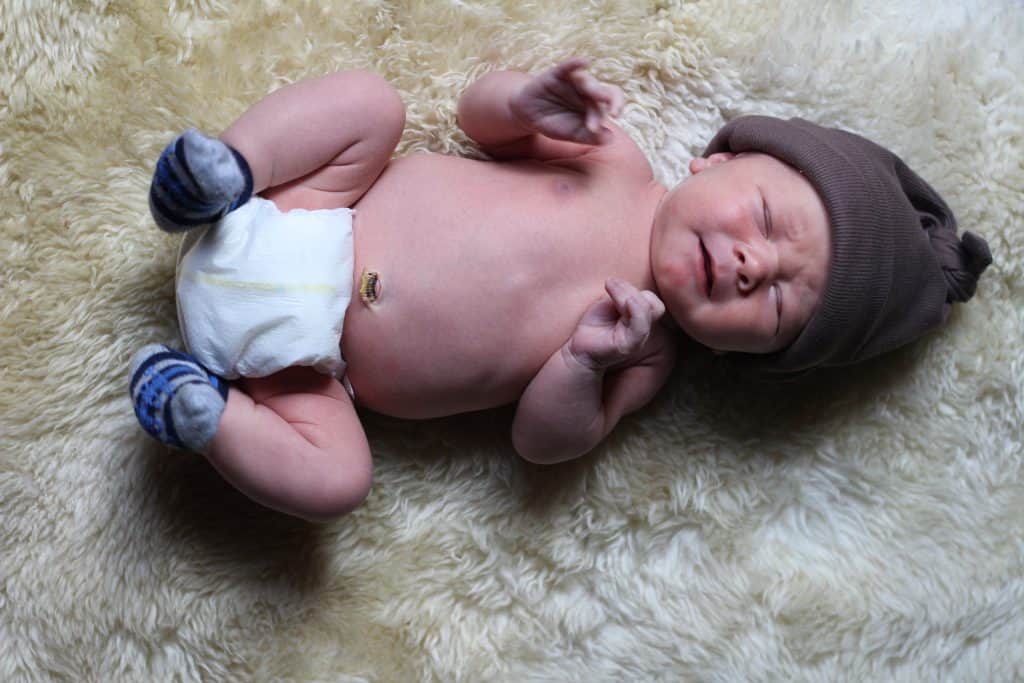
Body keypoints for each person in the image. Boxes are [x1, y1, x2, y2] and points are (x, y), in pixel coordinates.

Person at [129, 59, 992, 521]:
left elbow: (542, 445)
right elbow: (474, 117)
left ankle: (205, 412)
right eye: (764, 218)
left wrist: (585, 360)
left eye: (773, 304)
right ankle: (226, 174)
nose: (748, 263)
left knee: (339, 483)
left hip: (311, 376)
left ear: (744, 354)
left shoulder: (644, 350)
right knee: (370, 102)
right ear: (719, 158)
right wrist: (525, 102)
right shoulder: (610, 156)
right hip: (315, 204)